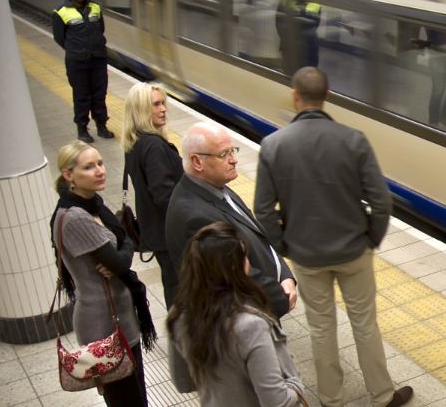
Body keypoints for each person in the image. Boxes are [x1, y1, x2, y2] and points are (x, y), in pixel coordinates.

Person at [254, 67, 413, 407]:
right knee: (365, 324)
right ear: (327, 98)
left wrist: (284, 245)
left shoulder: (273, 145)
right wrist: (370, 238)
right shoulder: (353, 140)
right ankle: (383, 395)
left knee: (321, 329)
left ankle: (331, 399)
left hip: (307, 256)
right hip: (354, 252)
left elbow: (264, 210)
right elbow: (382, 201)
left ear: (295, 96)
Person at [50, 141, 156, 407]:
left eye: (100, 163)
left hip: (119, 314)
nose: (100, 171)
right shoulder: (75, 217)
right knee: (125, 399)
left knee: (136, 393)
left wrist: (123, 248)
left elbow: (125, 242)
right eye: (88, 167)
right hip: (102, 322)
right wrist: (123, 249)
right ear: (68, 175)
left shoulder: (93, 205)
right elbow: (121, 259)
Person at [165, 121, 297, 319]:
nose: (234, 160)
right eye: (223, 154)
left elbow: (257, 234)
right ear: (197, 162)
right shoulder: (195, 218)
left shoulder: (216, 187)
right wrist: (281, 297)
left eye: (232, 150)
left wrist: (285, 275)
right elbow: (235, 276)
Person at [167, 221, 306, 406]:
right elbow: (276, 402)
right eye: (245, 257)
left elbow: (183, 383)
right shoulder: (249, 325)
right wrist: (295, 384)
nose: (248, 262)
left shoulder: (179, 315)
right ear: (233, 268)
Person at [121, 82, 183, 309]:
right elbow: (165, 196)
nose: (163, 108)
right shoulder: (154, 146)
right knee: (182, 291)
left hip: (157, 233)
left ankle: (182, 336)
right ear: (140, 110)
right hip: (171, 235)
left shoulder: (135, 143)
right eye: (155, 104)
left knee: (173, 286)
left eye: (163, 103)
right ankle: (186, 339)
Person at [52, 0, 115, 143]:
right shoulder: (60, 12)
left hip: (98, 59)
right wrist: (76, 50)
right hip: (77, 62)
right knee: (81, 95)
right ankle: (82, 129)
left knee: (99, 94)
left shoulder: (95, 7)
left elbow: (101, 29)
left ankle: (101, 126)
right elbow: (59, 37)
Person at [275, 0, 322, 76]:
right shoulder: (315, 3)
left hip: (304, 47)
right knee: (305, 75)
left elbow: (279, 23)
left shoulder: (286, 1)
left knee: (304, 75)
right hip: (303, 45)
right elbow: (279, 22)